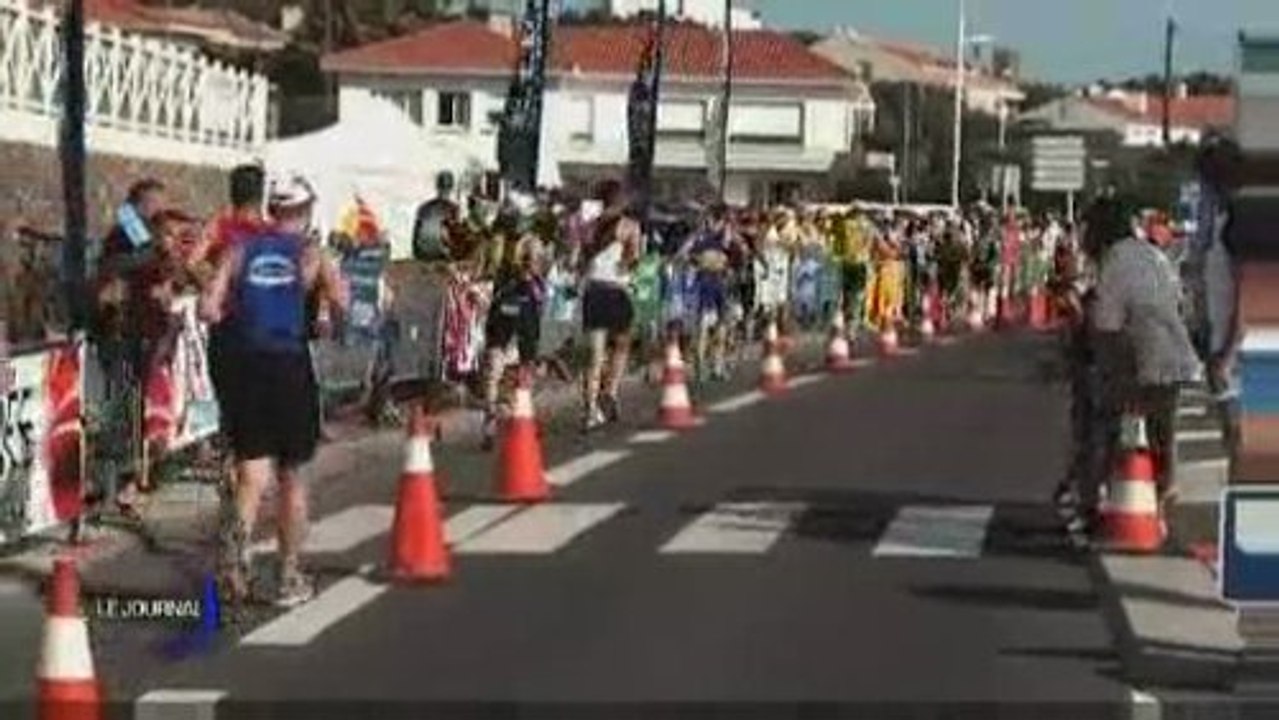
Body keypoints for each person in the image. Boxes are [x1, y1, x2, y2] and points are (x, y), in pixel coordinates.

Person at [200, 174, 347, 608]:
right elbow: (341, 301)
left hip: (247, 364)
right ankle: (288, 576)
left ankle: (235, 564)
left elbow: (209, 307)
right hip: (288, 364)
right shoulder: (311, 253)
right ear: (305, 211)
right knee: (294, 477)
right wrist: (326, 313)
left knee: (252, 472)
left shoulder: (240, 250)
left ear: (272, 209)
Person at [1091, 195, 1202, 530]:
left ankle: (1110, 493)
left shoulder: (1115, 262)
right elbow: (1180, 303)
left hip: (1145, 352)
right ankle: (1163, 499)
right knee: (1162, 431)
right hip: (1175, 352)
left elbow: (1107, 327)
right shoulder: (1152, 253)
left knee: (1111, 420)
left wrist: (1106, 369)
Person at [90, 178, 168, 516]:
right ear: (142, 201)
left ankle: (127, 481)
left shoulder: (143, 232)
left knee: (131, 406)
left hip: (141, 331)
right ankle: (116, 484)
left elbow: (156, 268)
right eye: (156, 202)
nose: (161, 209)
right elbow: (117, 269)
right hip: (123, 333)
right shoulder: (128, 228)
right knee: (120, 407)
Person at [479, 198, 547, 450]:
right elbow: (537, 271)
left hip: (501, 304)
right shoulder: (531, 243)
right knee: (525, 364)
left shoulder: (495, 243)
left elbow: (484, 271)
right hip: (525, 303)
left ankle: (490, 415)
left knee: (494, 362)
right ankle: (521, 415)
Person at [579, 180, 641, 433]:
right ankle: (611, 390)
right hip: (617, 290)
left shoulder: (589, 225)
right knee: (621, 345)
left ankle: (590, 410)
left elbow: (580, 256)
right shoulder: (630, 226)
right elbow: (633, 260)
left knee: (594, 355)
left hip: (593, 290)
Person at [413, 171, 462, 263]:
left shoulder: (424, 207)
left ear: (437, 186)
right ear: (451, 188)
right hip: (441, 254)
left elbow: (416, 236)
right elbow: (455, 235)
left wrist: (417, 254)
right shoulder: (453, 209)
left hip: (422, 254)